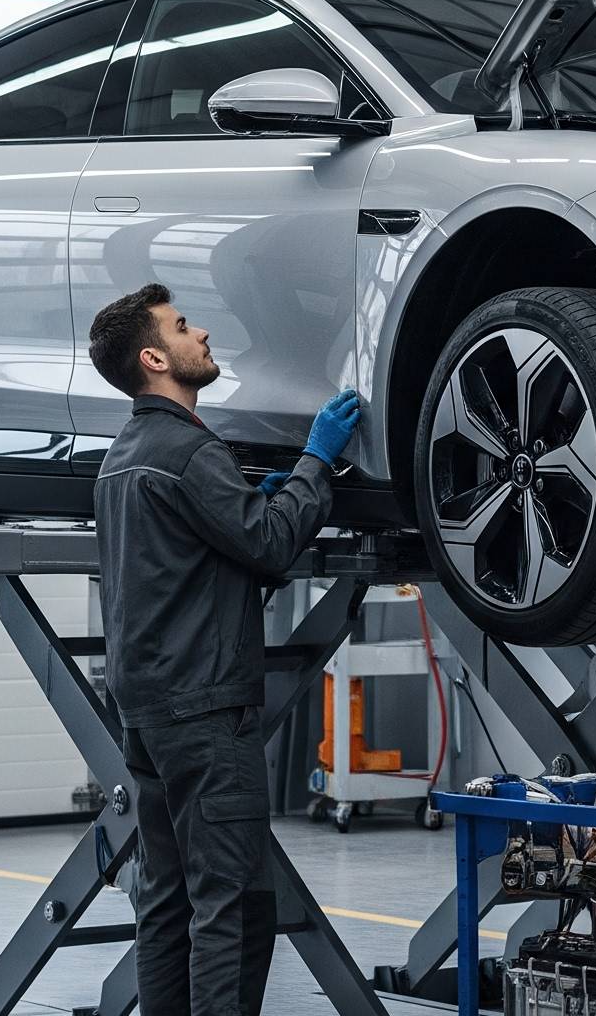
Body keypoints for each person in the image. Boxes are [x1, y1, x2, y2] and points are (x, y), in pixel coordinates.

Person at [88, 282, 361, 1016]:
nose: (201, 333)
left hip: (147, 717)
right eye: (182, 327)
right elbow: (269, 547)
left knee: (167, 902)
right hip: (207, 716)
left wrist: (253, 503)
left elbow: (201, 558)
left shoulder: (121, 458)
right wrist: (315, 464)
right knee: (231, 906)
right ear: (154, 358)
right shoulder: (187, 451)